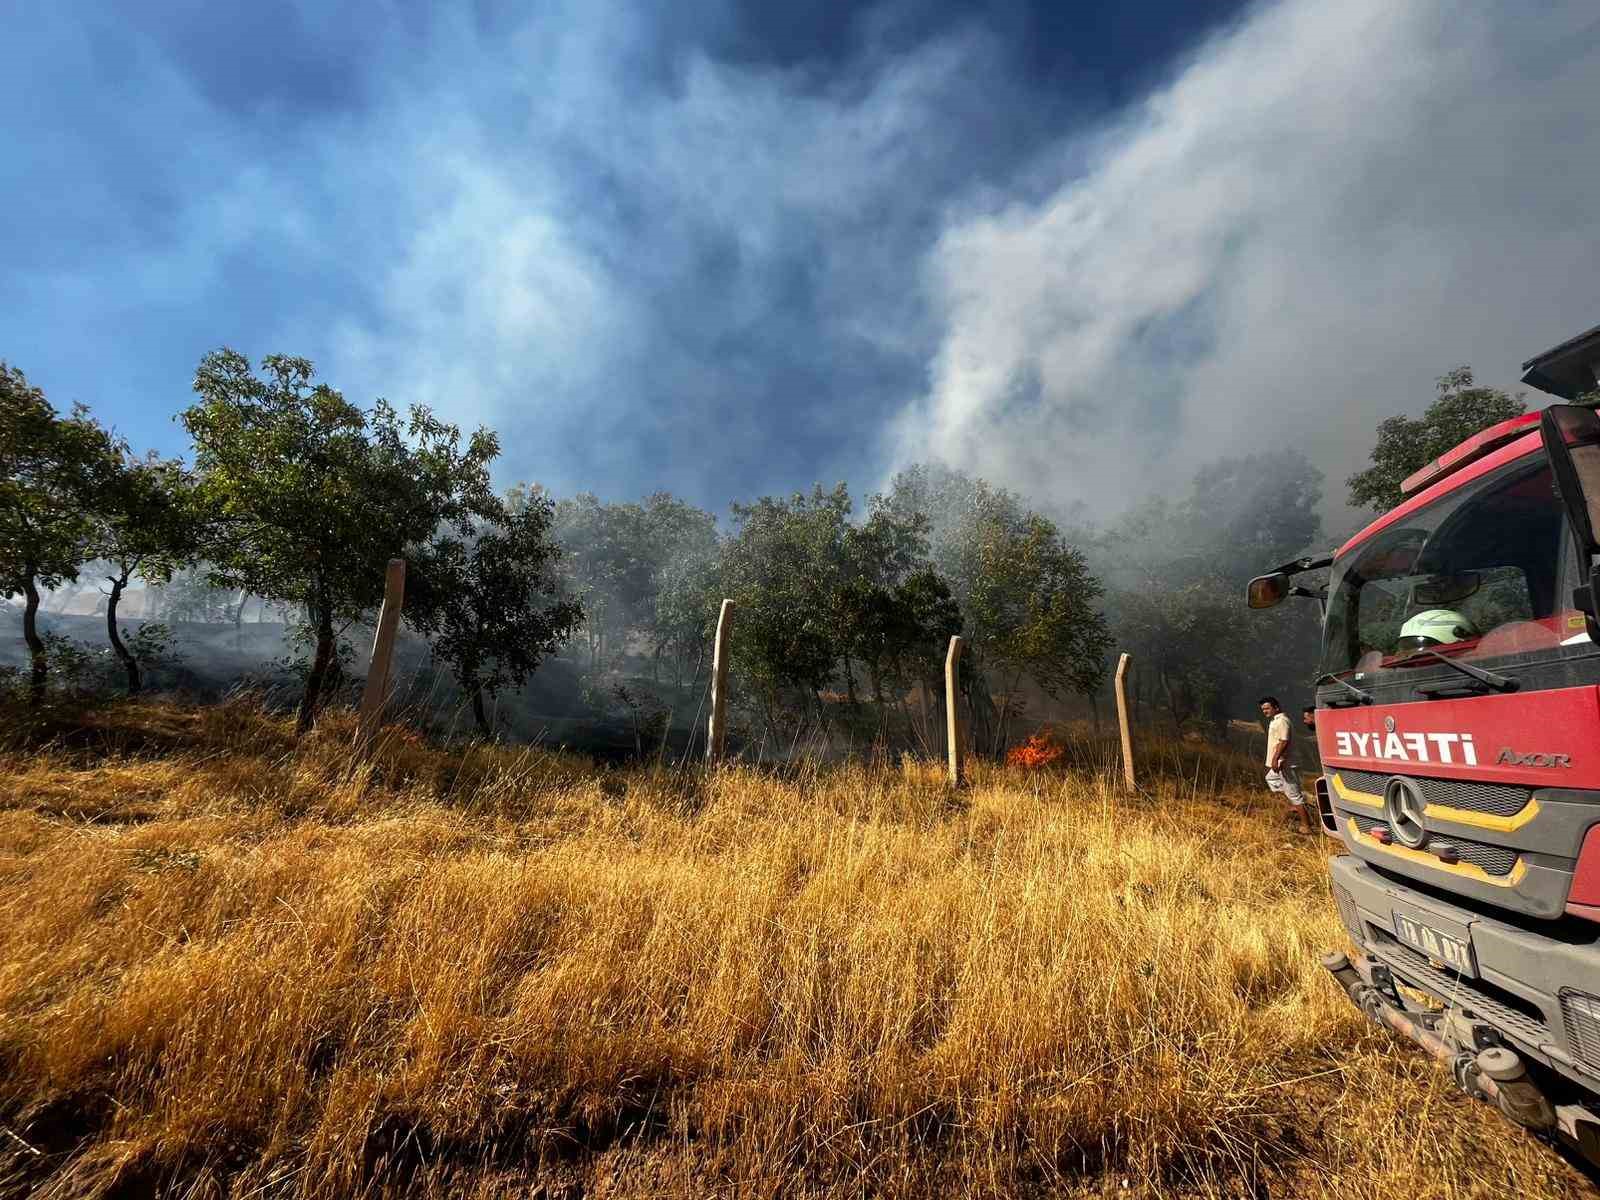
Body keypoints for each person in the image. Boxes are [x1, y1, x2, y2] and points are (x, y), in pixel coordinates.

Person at [1260, 696, 1313, 833]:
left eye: (1267, 708)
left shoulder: (1282, 721)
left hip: (1285, 762)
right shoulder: (1276, 721)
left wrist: (1276, 759)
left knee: (1294, 794)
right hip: (1283, 761)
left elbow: (1284, 741)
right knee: (1271, 778)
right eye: (1263, 709)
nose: (1265, 711)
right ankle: (1297, 802)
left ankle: (1306, 826)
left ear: (1276, 707)